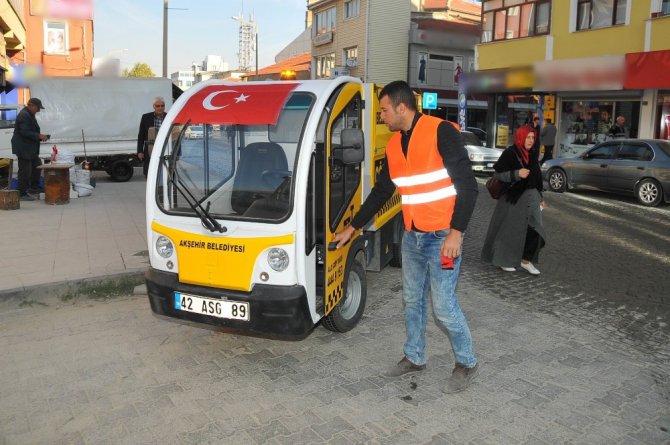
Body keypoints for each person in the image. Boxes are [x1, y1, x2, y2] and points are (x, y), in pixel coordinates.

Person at [332, 81, 480, 393]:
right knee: (411, 299)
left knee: (443, 306)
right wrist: (353, 227)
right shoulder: (394, 145)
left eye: (384, 109)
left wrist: (457, 233)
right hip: (412, 237)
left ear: (402, 107)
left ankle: (466, 361)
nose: (382, 115)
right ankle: (414, 356)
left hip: (443, 237)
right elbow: (383, 190)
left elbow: (468, 185)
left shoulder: (441, 132)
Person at [481, 125, 546, 275]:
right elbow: (498, 175)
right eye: (527, 137)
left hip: (532, 198)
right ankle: (504, 260)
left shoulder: (533, 154)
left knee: (537, 232)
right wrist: (517, 173)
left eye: (532, 137)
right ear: (520, 137)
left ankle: (526, 261)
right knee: (510, 232)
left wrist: (541, 197)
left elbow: (537, 178)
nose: (530, 140)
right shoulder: (510, 153)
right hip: (514, 199)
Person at [11, 98, 49, 201]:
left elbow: (31, 131)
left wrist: (39, 136)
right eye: (38, 108)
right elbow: (25, 132)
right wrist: (39, 136)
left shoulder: (30, 115)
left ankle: (33, 188)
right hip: (23, 148)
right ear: (31, 105)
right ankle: (21, 193)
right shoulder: (24, 115)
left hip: (29, 148)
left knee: (37, 165)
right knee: (25, 171)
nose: (39, 110)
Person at [137, 97, 167, 176]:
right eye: (157, 106)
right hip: (150, 149)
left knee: (164, 172)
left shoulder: (169, 117)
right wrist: (140, 151)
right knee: (150, 172)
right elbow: (141, 136)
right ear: (154, 106)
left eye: (162, 105)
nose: (160, 108)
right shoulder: (146, 117)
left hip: (165, 149)